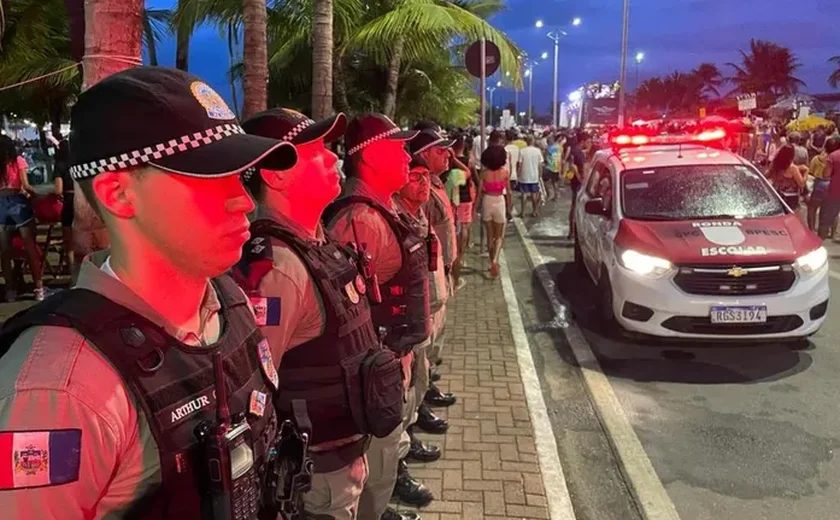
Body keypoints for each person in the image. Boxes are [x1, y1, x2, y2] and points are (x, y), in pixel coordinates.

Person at [0, 67, 302, 518]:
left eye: (240, 176)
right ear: (119, 195)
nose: (244, 199)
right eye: (209, 176)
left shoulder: (227, 300)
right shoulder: (62, 393)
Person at [234, 108, 404, 520]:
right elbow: (255, 390)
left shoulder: (320, 243)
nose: (333, 159)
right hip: (316, 476)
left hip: (345, 453)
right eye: (318, 151)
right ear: (275, 175)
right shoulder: (275, 267)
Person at [323, 113, 428, 520]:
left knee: (382, 468)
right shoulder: (359, 220)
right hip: (373, 373)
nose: (406, 155)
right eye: (397, 147)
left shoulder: (381, 210)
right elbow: (348, 311)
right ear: (368, 157)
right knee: (373, 473)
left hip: (388, 362)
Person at [0, 136, 44, 301]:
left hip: (0, 205)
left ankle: (10, 291)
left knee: (5, 252)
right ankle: (38, 288)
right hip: (18, 203)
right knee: (30, 247)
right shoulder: (18, 160)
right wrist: (37, 195)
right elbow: (25, 186)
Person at [478, 145, 510, 278]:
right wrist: (509, 207)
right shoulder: (505, 173)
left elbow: (479, 193)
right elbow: (509, 192)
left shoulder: (484, 173)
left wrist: (475, 208)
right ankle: (495, 260)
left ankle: (491, 261)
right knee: (500, 236)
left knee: (489, 236)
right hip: (499, 201)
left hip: (487, 201)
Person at [52, 138, 77, 277]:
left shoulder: (59, 166)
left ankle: (73, 275)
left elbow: (58, 190)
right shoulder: (78, 163)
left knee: (69, 243)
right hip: (82, 201)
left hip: (68, 201)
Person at [767, 144, 807, 212]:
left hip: (775, 194)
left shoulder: (774, 164)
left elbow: (766, 175)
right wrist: (806, 172)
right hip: (789, 199)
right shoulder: (793, 168)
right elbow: (801, 183)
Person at [818, 137, 840, 239]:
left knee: (825, 221)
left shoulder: (833, 156)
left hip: (834, 192)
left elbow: (826, 174)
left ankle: (819, 245)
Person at [566, 133, 586, 239]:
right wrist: (582, 179)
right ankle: (574, 231)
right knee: (577, 208)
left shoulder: (573, 151)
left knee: (573, 207)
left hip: (573, 182)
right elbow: (582, 171)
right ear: (583, 142)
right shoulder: (580, 154)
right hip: (578, 183)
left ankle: (571, 231)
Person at [517, 135, 543, 217]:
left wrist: (518, 174)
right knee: (534, 194)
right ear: (533, 141)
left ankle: (523, 212)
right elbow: (540, 165)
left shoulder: (522, 151)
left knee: (524, 194)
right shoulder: (538, 151)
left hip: (524, 176)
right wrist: (540, 174)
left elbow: (520, 165)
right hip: (534, 176)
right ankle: (535, 211)